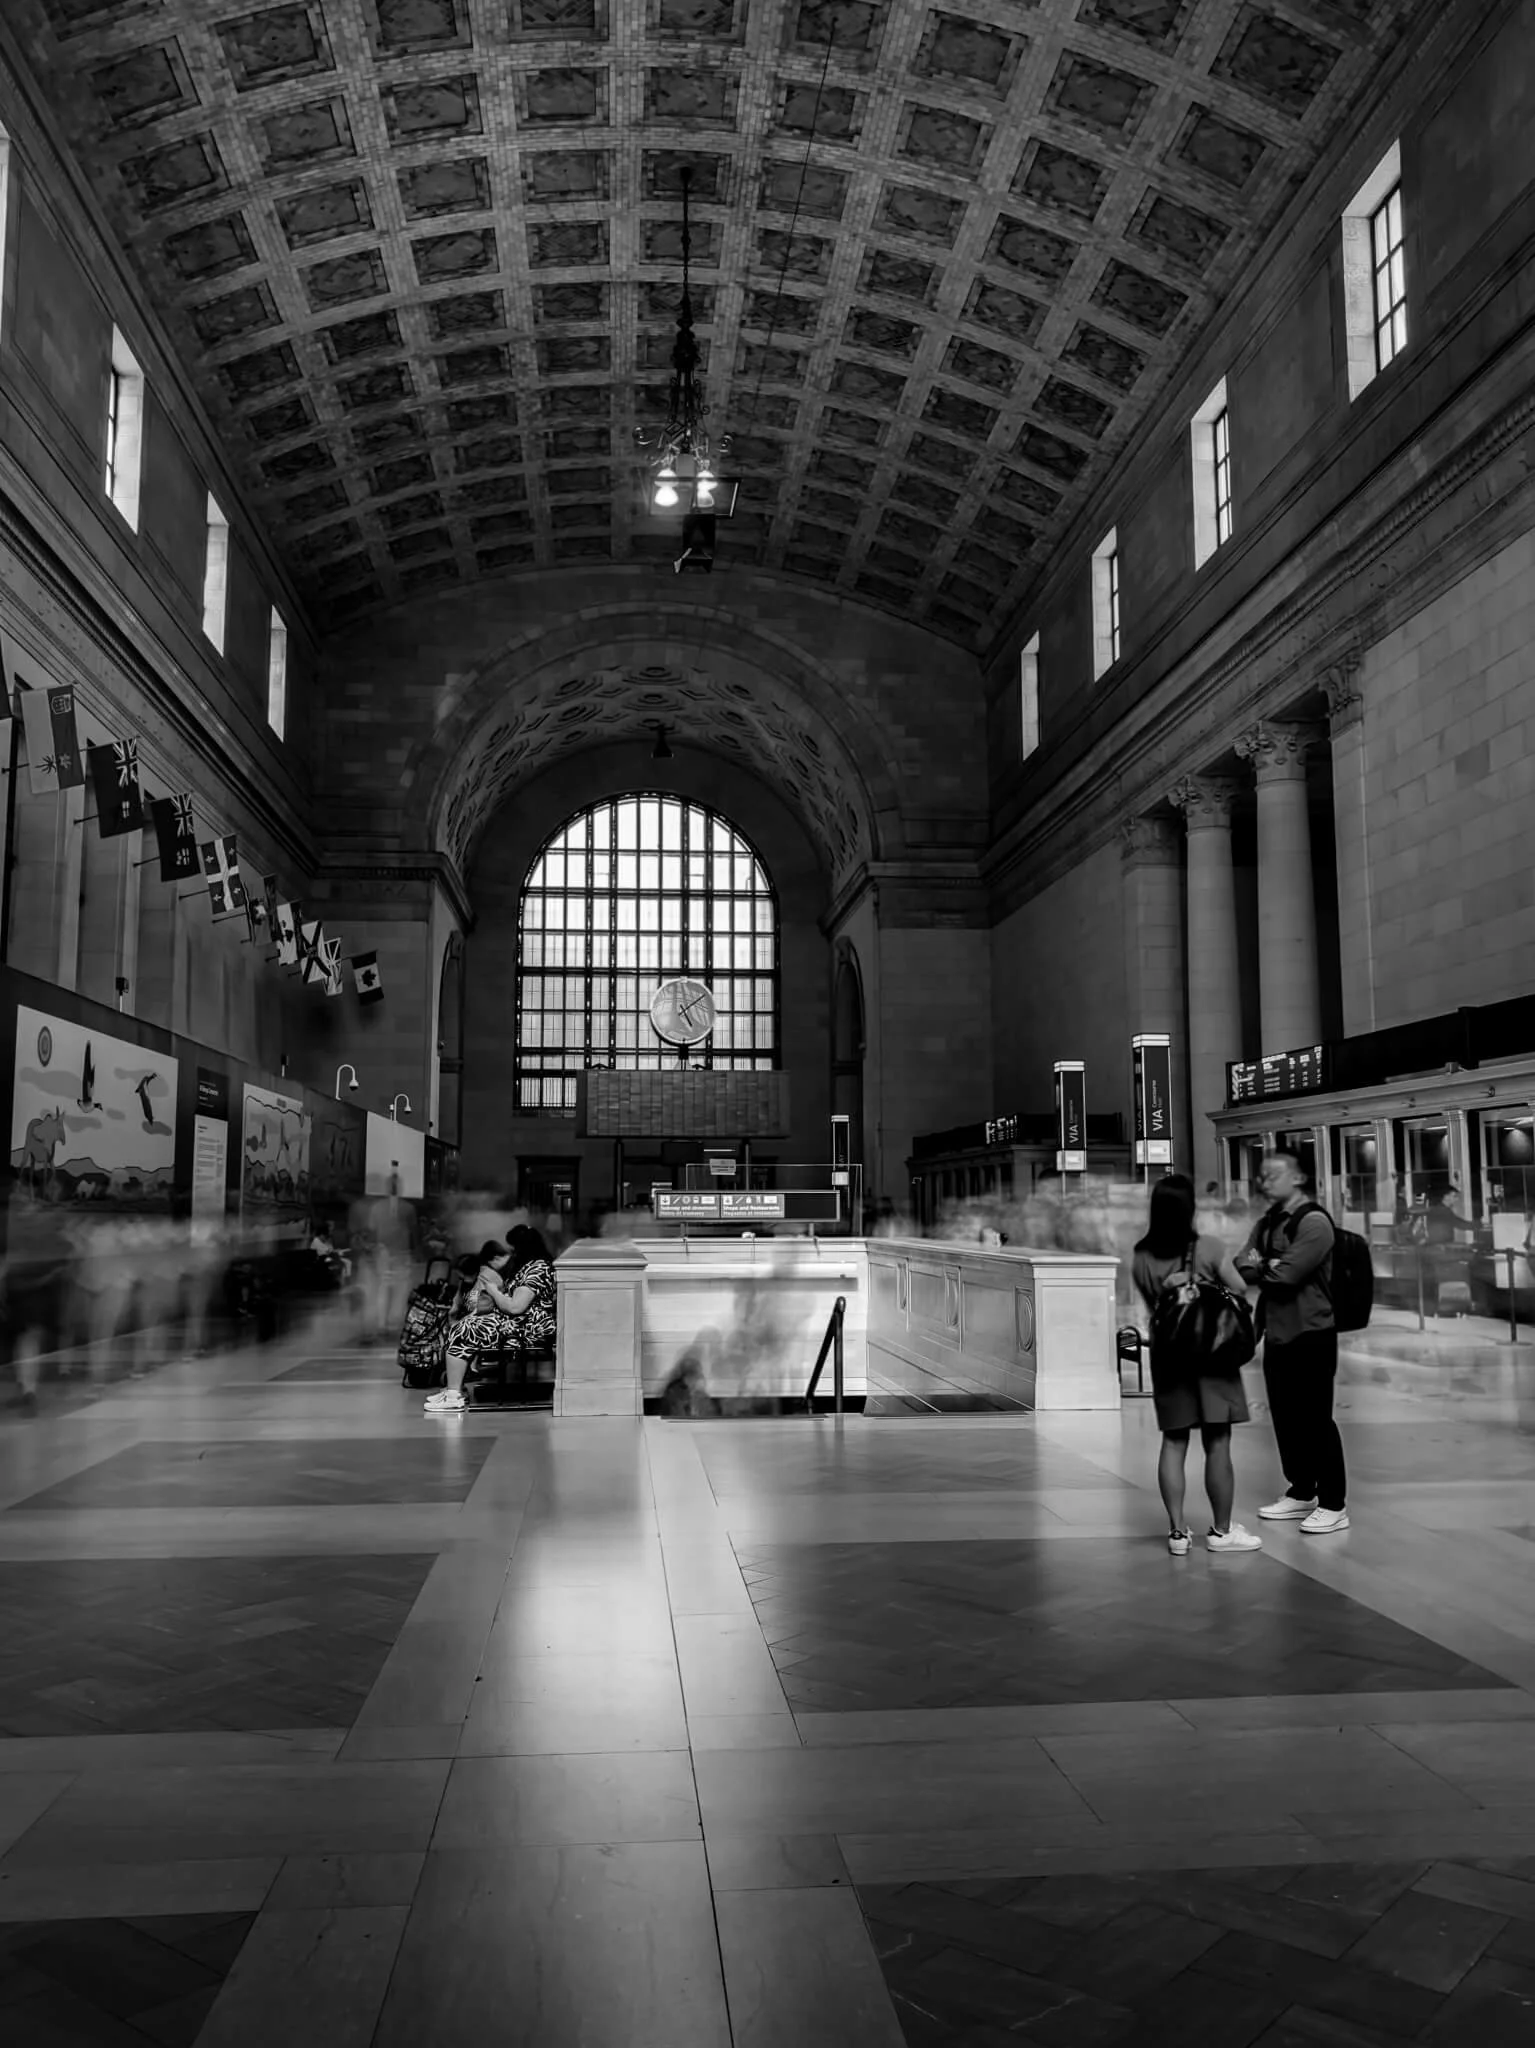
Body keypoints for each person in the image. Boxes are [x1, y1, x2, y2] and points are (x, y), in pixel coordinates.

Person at [1132, 1173, 1262, 1558]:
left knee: (1173, 1441)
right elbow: (1237, 1288)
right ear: (1191, 1208)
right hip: (1212, 1354)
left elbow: (1151, 1301)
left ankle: (1177, 1533)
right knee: (1217, 1441)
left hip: (1168, 1354)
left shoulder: (1141, 1254)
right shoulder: (1207, 1247)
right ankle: (1222, 1532)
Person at [1236, 1148, 1348, 1534]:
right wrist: (1269, 1265)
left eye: (1273, 1175)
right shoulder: (1268, 1222)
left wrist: (1264, 1265)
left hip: (1312, 1332)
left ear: (1298, 1178)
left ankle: (1334, 1503)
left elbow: (1286, 1276)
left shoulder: (1314, 1222)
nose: (1264, 1182)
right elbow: (1241, 1265)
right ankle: (1302, 1490)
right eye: (1262, 1175)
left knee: (1315, 1419)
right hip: (1277, 1333)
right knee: (1285, 1416)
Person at [425, 1228, 558, 1416]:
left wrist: (494, 1291)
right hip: (519, 1323)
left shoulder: (538, 1269)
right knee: (463, 1324)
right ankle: (454, 1390)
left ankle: (453, 1395)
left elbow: (515, 1307)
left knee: (465, 1330)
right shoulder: (531, 1266)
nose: (512, 1253)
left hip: (527, 1328)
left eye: (514, 1249)